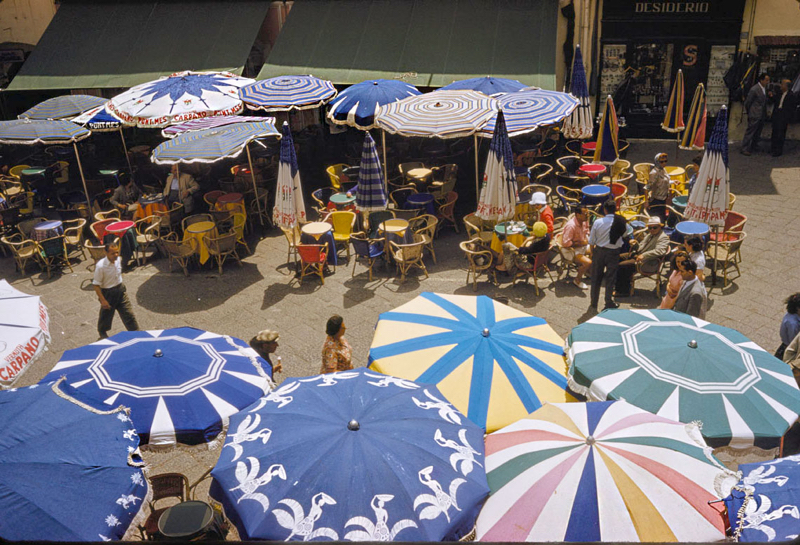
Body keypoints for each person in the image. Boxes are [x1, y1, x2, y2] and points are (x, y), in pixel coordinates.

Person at [92, 239, 139, 339]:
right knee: (106, 316)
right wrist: (103, 300)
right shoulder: (101, 266)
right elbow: (96, 285)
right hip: (108, 293)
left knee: (128, 314)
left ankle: (136, 333)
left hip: (120, 291)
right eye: (113, 253)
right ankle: (102, 332)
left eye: (117, 252)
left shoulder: (118, 260)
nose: (116, 255)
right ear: (106, 253)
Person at [615, 216, 670, 296]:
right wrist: (635, 243)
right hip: (639, 256)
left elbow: (659, 251)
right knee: (616, 258)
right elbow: (641, 247)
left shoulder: (663, 237)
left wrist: (644, 255)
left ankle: (623, 291)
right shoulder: (650, 235)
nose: (652, 229)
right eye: (650, 228)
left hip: (648, 261)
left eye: (654, 227)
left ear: (660, 226)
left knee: (623, 266)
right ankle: (620, 284)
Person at [588, 199, 626, 310]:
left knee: (596, 278)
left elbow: (591, 241)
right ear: (616, 209)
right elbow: (624, 234)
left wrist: (592, 254)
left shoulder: (597, 222)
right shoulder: (621, 221)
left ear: (604, 210)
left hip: (599, 251)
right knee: (610, 278)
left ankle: (593, 302)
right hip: (613, 253)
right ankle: (608, 302)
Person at [561, 205, 592, 290]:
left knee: (596, 249)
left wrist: (586, 240)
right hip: (571, 250)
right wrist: (580, 243)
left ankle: (588, 271)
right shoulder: (571, 226)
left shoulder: (585, 220)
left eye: (588, 213)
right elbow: (565, 243)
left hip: (582, 245)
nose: (587, 215)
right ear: (578, 215)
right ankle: (577, 280)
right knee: (588, 262)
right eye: (585, 213)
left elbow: (587, 231)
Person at [741, 73, 771, 156]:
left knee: (758, 131)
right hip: (755, 113)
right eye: (766, 80)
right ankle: (744, 147)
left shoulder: (765, 89)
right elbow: (748, 102)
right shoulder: (754, 89)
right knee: (750, 131)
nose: (767, 82)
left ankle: (754, 145)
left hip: (761, 114)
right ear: (761, 80)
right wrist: (750, 111)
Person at [770, 79, 796, 157]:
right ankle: (773, 148)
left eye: (782, 84)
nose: (781, 86)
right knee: (774, 132)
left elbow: (792, 107)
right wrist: (771, 96)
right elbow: (774, 100)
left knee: (780, 133)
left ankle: (778, 150)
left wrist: (788, 116)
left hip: (783, 116)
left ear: (786, 86)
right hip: (777, 114)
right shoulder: (779, 93)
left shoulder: (791, 95)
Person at [776, 293, 800, 360]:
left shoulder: (793, 315)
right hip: (789, 350)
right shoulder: (793, 324)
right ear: (798, 308)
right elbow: (794, 341)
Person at [647, 153, 671, 218]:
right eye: (661, 162)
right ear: (657, 162)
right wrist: (646, 201)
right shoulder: (654, 173)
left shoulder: (663, 170)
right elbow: (647, 187)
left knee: (662, 218)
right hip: (656, 200)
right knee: (657, 219)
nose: (664, 163)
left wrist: (673, 182)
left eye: (665, 161)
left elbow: (663, 181)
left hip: (664, 199)